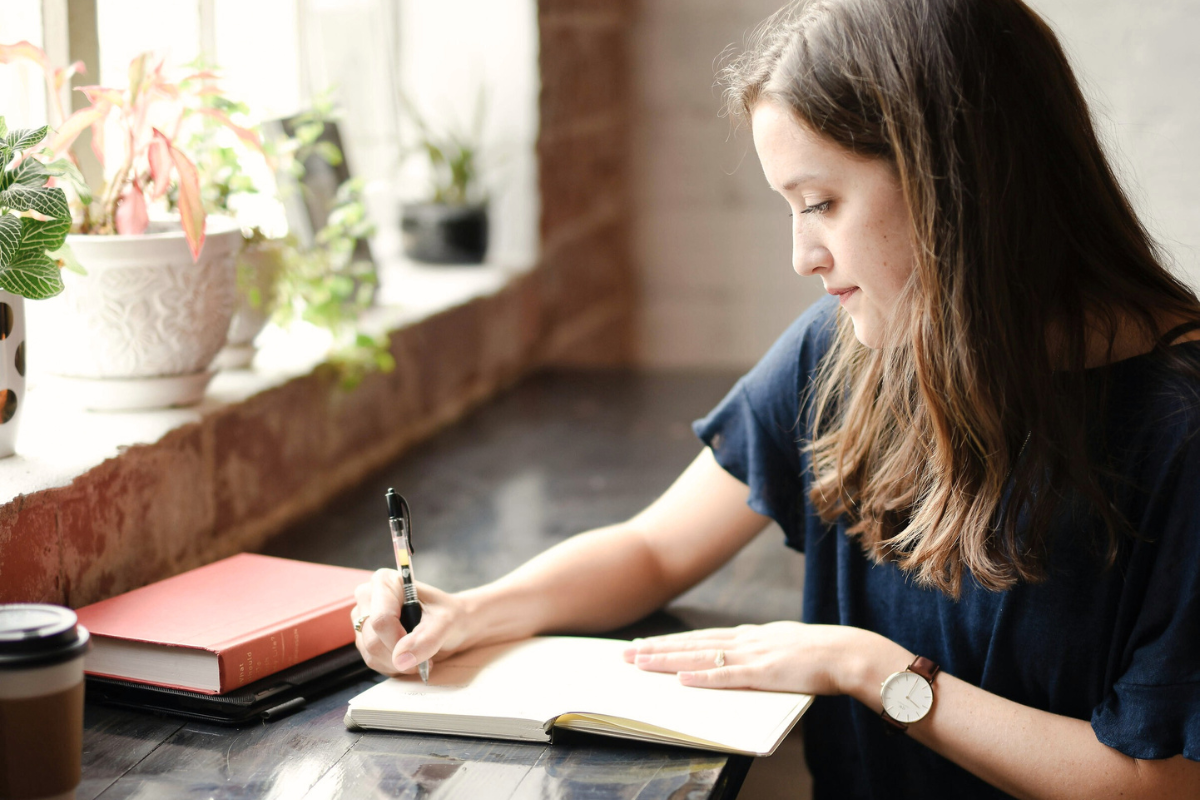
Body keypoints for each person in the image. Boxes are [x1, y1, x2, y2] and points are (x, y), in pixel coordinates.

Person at [353, 0, 1200, 796]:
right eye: (792, 208)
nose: (804, 255)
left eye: (823, 203)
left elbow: (1158, 784)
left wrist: (872, 671)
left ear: (959, 180)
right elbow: (654, 549)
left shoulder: (1182, 431)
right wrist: (471, 613)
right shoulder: (850, 350)